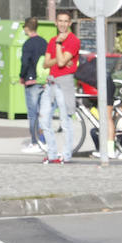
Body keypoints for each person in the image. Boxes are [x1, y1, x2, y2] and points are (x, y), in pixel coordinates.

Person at [41, 10, 78, 164]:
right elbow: (46, 63)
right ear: (56, 22)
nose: (62, 24)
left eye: (65, 21)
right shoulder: (52, 40)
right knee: (44, 119)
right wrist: (60, 57)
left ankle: (67, 154)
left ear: (69, 23)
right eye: (60, 21)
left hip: (65, 83)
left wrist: (58, 47)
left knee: (65, 121)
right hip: (51, 83)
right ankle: (52, 154)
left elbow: (62, 63)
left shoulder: (73, 40)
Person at [17, 17, 47, 153]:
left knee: (33, 114)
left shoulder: (28, 44)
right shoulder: (44, 42)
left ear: (27, 28)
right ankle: (44, 140)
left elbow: (25, 63)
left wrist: (21, 76)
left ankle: (35, 142)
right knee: (42, 113)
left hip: (31, 81)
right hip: (43, 81)